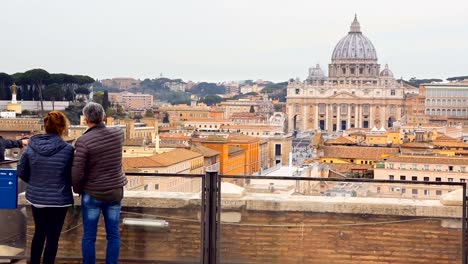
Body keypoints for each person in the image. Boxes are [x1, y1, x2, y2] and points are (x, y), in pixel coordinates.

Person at [72, 102, 127, 264]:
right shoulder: (118, 134)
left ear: (85, 120)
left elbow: (77, 171)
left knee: (89, 236)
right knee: (114, 234)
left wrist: (78, 189)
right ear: (103, 117)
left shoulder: (83, 141)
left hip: (92, 193)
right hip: (114, 191)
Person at [17, 111, 74, 264]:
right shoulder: (68, 150)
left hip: (37, 198)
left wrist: (35, 182)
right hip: (59, 199)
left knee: (39, 232)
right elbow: (72, 175)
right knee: (53, 237)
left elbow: (21, 171)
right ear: (63, 128)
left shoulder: (31, 147)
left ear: (45, 126)